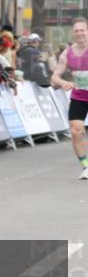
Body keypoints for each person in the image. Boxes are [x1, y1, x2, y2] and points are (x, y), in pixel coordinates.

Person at [51, 17, 88, 180]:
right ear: (72, 33)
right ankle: (86, 166)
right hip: (79, 96)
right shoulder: (67, 53)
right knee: (75, 131)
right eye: (76, 30)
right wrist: (63, 82)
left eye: (82, 30)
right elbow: (55, 76)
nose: (79, 33)